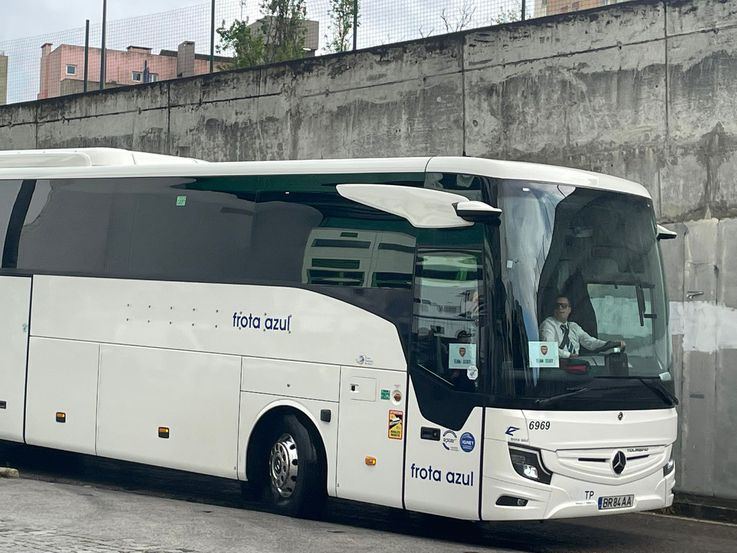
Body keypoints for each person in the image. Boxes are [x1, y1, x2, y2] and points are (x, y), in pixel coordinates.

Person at [539, 295, 625, 359]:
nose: (560, 308)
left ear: (569, 310)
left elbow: (591, 343)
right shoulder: (548, 324)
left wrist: (610, 344)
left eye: (563, 306)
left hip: (575, 367)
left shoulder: (574, 326)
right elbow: (547, 348)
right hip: (558, 369)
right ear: (554, 309)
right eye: (557, 306)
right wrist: (568, 355)